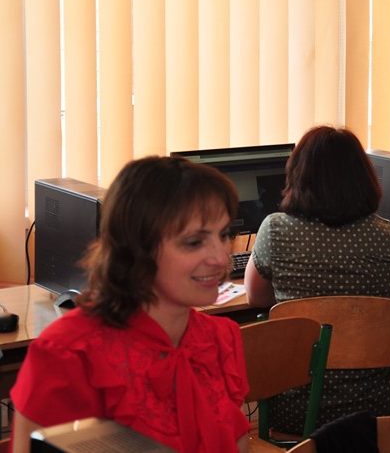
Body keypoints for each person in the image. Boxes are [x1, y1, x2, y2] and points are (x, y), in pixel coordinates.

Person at [11, 156, 250, 453]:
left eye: (224, 235)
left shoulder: (220, 338)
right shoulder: (69, 352)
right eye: (193, 242)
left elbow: (237, 445)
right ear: (137, 250)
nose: (221, 257)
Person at [244, 125, 390, 432]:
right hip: (375, 406)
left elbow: (255, 297)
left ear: (297, 176)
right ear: (364, 178)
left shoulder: (276, 230)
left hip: (295, 408)